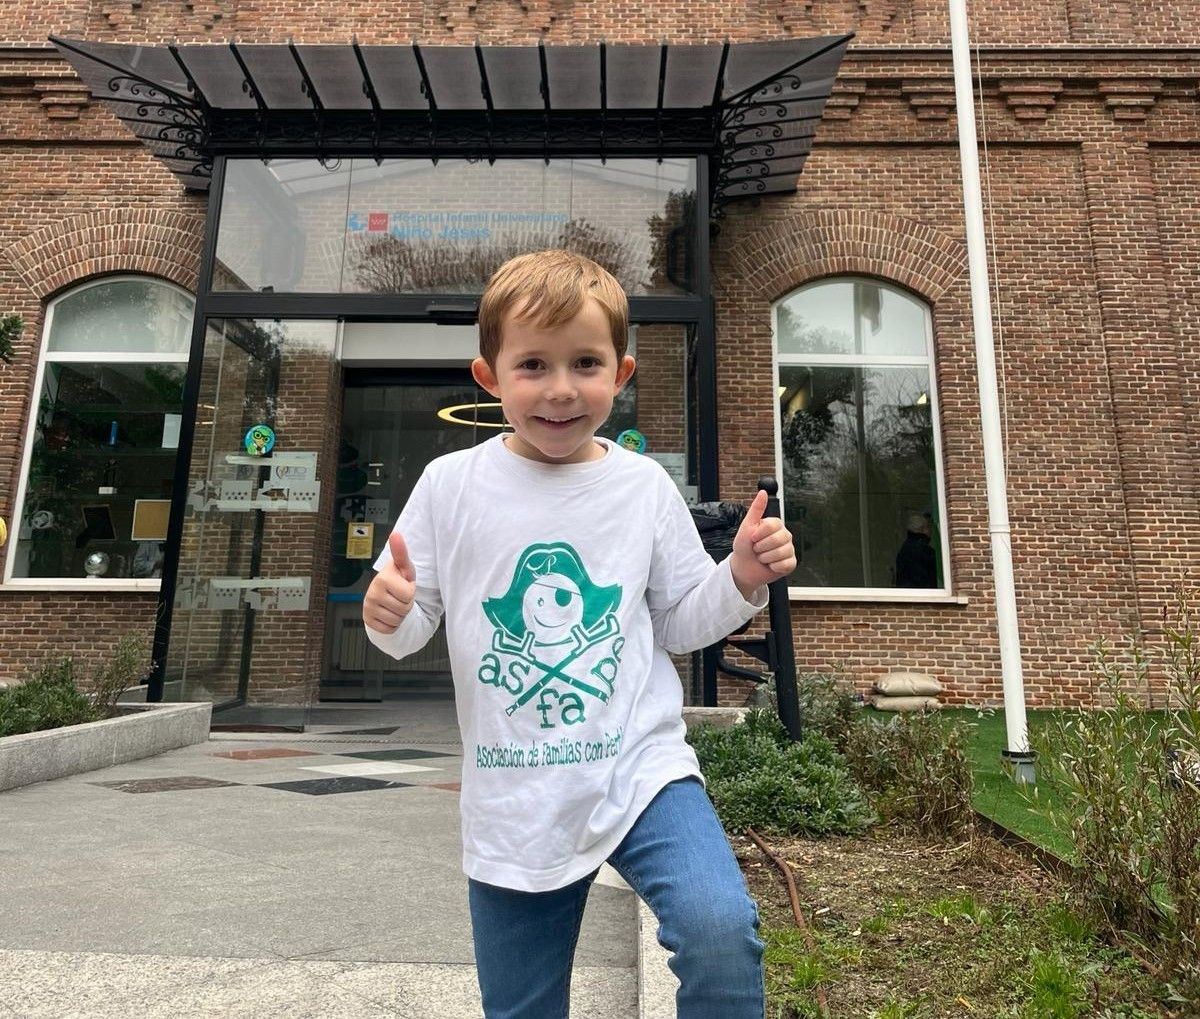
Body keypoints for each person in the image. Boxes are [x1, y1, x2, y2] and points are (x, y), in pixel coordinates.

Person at [363, 249, 796, 1019]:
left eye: (586, 363)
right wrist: (389, 615)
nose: (561, 389)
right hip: (515, 792)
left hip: (640, 768)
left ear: (621, 373)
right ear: (489, 376)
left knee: (720, 931)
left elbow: (675, 620)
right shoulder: (449, 487)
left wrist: (738, 578)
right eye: (533, 364)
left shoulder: (640, 487)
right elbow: (412, 618)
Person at [895, 512, 938, 588]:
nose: (930, 531)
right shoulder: (925, 550)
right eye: (928, 527)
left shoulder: (904, 549)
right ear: (923, 529)